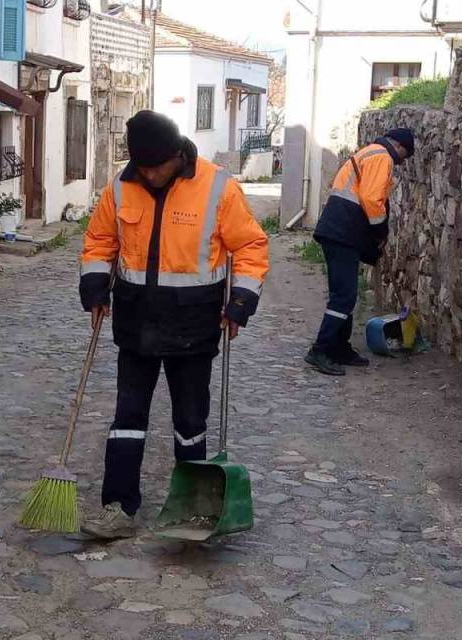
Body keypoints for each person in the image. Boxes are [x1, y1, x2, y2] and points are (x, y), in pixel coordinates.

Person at [78, 110, 270, 539]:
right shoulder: (121, 187)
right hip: (136, 324)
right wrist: (94, 289)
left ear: (177, 156)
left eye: (156, 167)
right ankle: (118, 507)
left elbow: (251, 246)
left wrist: (240, 302)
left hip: (194, 325)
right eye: (141, 167)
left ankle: (195, 508)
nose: (148, 175)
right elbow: (99, 241)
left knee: (190, 421)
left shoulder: (217, 186)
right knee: (127, 417)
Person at [305, 128, 414, 377]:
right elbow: (371, 198)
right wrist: (379, 232)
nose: (401, 161)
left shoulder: (369, 152)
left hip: (338, 230)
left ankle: (340, 348)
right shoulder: (382, 157)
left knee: (345, 294)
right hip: (342, 232)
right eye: (404, 155)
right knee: (343, 296)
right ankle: (320, 350)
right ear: (398, 146)